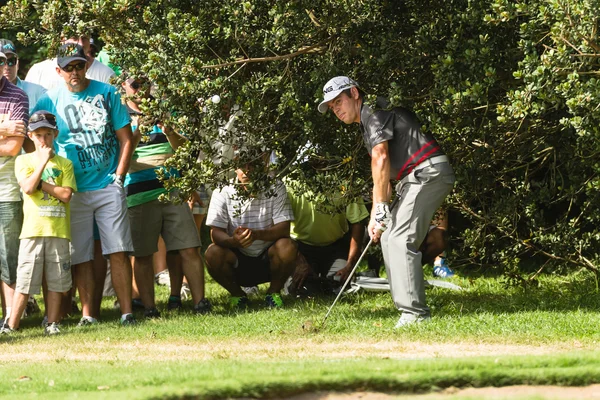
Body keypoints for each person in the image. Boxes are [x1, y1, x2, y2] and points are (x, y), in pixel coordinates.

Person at [318, 76, 455, 328]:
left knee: (402, 239)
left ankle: (415, 314)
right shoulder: (369, 119)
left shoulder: (375, 114)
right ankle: (407, 309)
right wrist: (376, 215)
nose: (336, 109)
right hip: (413, 178)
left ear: (355, 93)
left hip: (426, 173)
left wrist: (381, 206)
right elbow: (384, 174)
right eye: (331, 106)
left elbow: (380, 157)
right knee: (389, 237)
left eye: (339, 101)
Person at [32, 43, 136, 326]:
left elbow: (127, 138)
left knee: (117, 249)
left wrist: (120, 177)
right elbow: (37, 138)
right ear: (58, 71)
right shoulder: (48, 101)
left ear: (86, 65)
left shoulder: (107, 93)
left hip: (107, 184)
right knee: (80, 255)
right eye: (68, 68)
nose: (74, 72)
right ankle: (88, 315)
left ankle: (127, 313)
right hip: (73, 189)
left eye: (79, 65)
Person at [122, 76, 211, 317]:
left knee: (190, 248)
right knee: (142, 255)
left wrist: (169, 131)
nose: (141, 89)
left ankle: (200, 303)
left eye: (145, 83)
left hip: (173, 191)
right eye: (135, 85)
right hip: (139, 194)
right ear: (124, 86)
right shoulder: (120, 116)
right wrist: (138, 131)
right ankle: (150, 308)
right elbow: (120, 158)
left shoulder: (165, 110)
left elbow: (183, 150)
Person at [0, 111, 76, 335]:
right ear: (30, 136)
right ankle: (12, 325)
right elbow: (28, 187)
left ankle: (52, 322)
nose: (44, 140)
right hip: (32, 231)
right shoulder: (24, 160)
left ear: (56, 134)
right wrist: (42, 161)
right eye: (39, 135)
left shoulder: (65, 164)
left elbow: (66, 194)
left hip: (58, 230)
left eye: (48, 134)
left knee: (57, 282)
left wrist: (43, 183)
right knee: (25, 280)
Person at [204, 169, 297, 308]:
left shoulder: (275, 186)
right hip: (237, 257)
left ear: (262, 162)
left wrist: (257, 235)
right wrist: (233, 241)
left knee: (287, 246)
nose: (247, 170)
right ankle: (238, 295)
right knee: (212, 253)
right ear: (235, 168)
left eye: (252, 164)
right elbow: (215, 232)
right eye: (243, 165)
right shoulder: (222, 189)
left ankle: (273, 293)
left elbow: (284, 228)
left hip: (269, 256)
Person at [287, 188, 369, 291]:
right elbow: (280, 226)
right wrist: (298, 261)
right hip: (301, 248)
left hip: (336, 246)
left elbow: (358, 222)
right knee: (302, 288)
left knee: (340, 285)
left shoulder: (346, 181)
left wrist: (349, 265)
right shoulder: (291, 183)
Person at [0, 49, 29, 324]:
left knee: (9, 257)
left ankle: (9, 320)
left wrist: (9, 135)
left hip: (6, 190)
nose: (1, 65)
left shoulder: (17, 96)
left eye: (4, 61)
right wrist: (3, 128)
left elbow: (13, 147)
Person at [25, 36, 115, 90]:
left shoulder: (106, 74)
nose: (80, 43)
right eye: (74, 38)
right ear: (62, 39)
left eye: (84, 38)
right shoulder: (38, 72)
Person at [0, 39, 47, 112]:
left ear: (17, 64)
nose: (7, 67)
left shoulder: (38, 92)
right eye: (1, 62)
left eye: (11, 61)